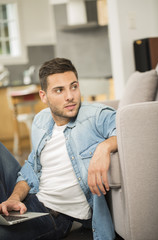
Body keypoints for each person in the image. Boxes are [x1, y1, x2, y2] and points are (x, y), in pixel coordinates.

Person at [0, 58, 117, 240]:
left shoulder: (95, 116)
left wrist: (105, 146)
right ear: (43, 96)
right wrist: (15, 198)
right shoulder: (41, 120)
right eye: (59, 90)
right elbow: (31, 169)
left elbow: (132, 131)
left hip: (55, 216)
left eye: (74, 86)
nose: (70, 96)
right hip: (30, 201)